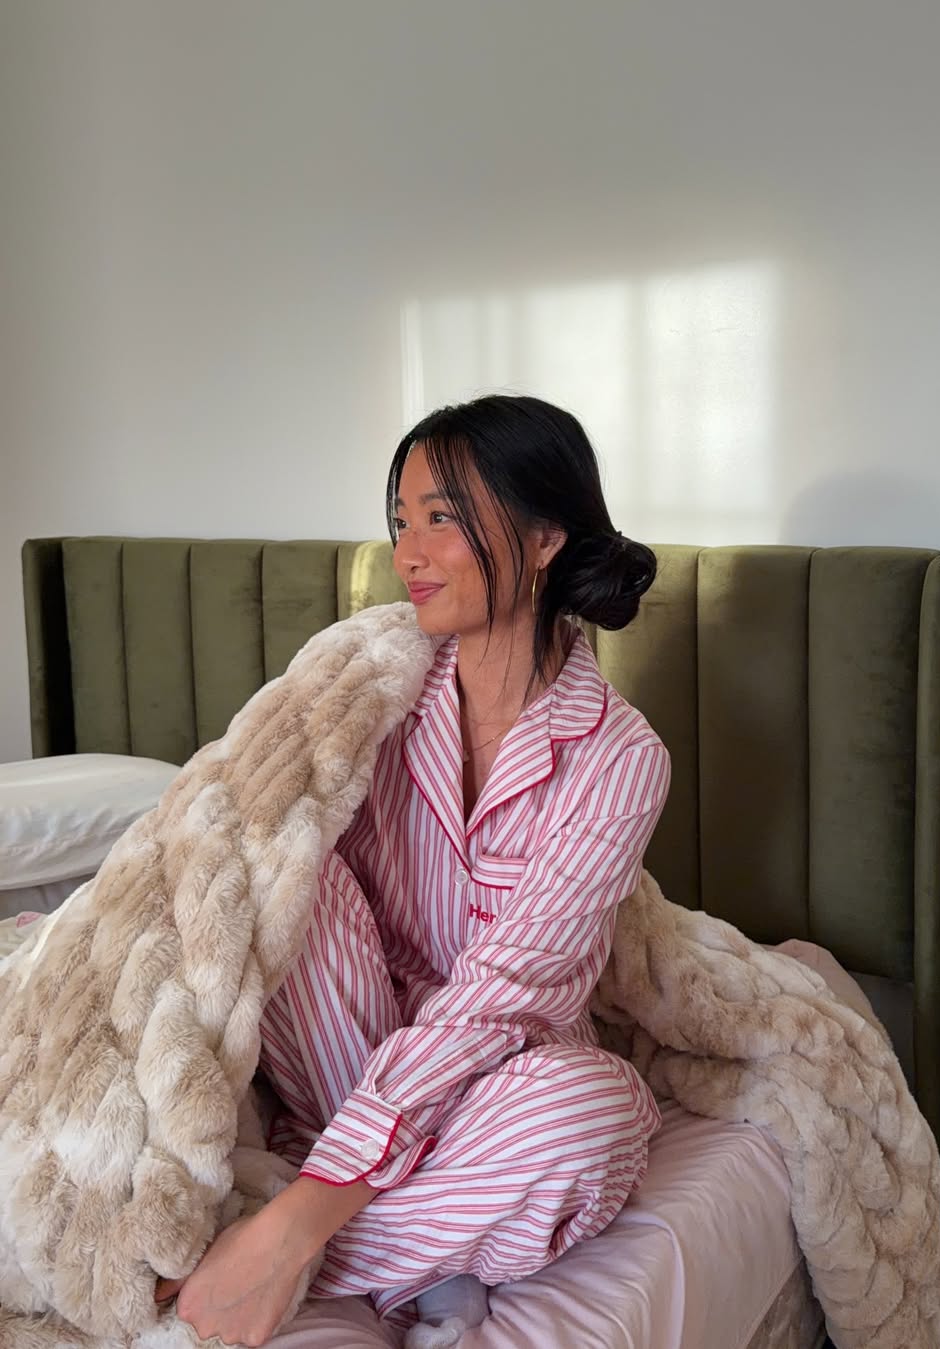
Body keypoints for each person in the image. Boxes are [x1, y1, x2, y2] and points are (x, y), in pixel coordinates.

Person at [159, 394, 672, 1347]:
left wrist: (296, 1219)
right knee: (277, 867)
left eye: (442, 517)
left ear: (545, 535)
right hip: (345, 1046)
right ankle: (431, 1243)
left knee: (590, 1114)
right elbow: (256, 831)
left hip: (497, 1070)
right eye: (402, 521)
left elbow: (504, 996)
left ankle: (290, 1244)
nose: (408, 553)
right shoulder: (375, 687)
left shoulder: (621, 758)